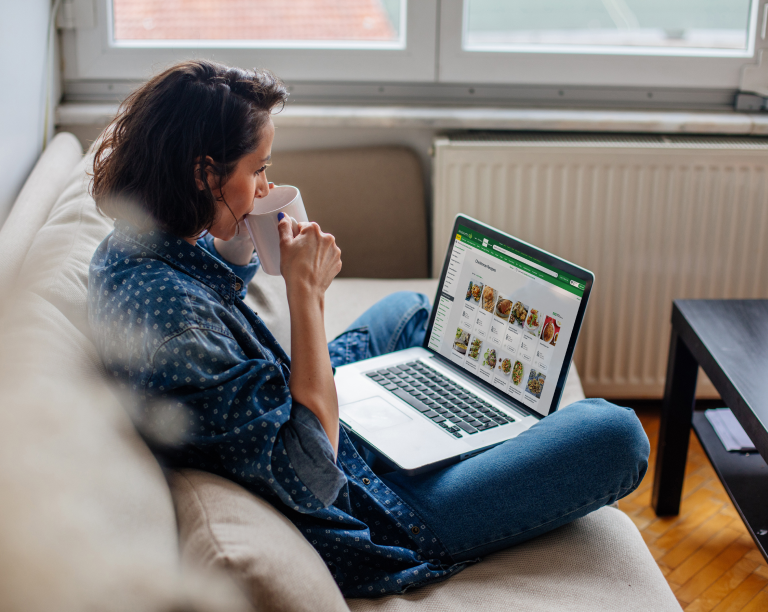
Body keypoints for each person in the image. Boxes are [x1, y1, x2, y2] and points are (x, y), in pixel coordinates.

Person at [87, 59, 650, 598]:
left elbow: (216, 304)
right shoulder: (177, 327)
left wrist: (240, 234)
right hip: (378, 508)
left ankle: (460, 420)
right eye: (257, 170)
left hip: (317, 423)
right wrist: (306, 294)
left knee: (407, 309)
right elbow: (313, 473)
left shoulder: (138, 248)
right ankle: (475, 443)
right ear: (204, 173)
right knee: (616, 433)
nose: (265, 187)